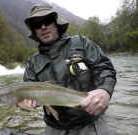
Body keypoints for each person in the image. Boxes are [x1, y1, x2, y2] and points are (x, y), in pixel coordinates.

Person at [22, 3, 117, 135]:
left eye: (47, 21)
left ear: (56, 23)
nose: (43, 27)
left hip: (92, 124)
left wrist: (105, 90)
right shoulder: (32, 63)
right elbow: (26, 93)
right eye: (38, 25)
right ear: (35, 31)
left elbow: (105, 68)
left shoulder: (81, 42)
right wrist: (25, 105)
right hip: (55, 128)